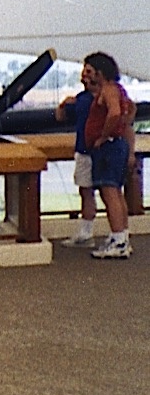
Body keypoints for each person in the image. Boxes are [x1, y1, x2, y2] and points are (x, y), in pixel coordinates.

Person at [80, 52, 135, 260]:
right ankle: (120, 235)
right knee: (115, 192)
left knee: (109, 192)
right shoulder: (118, 90)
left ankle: (119, 240)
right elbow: (130, 109)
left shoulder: (109, 90)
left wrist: (104, 136)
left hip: (109, 148)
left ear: (101, 72)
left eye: (91, 71)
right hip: (116, 146)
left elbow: (113, 113)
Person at [56, 66, 97, 246]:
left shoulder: (103, 97)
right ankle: (86, 232)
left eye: (89, 72)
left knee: (107, 192)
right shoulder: (80, 99)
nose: (84, 75)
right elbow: (60, 117)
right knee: (85, 190)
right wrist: (64, 104)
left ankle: (117, 234)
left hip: (95, 151)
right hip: (84, 150)